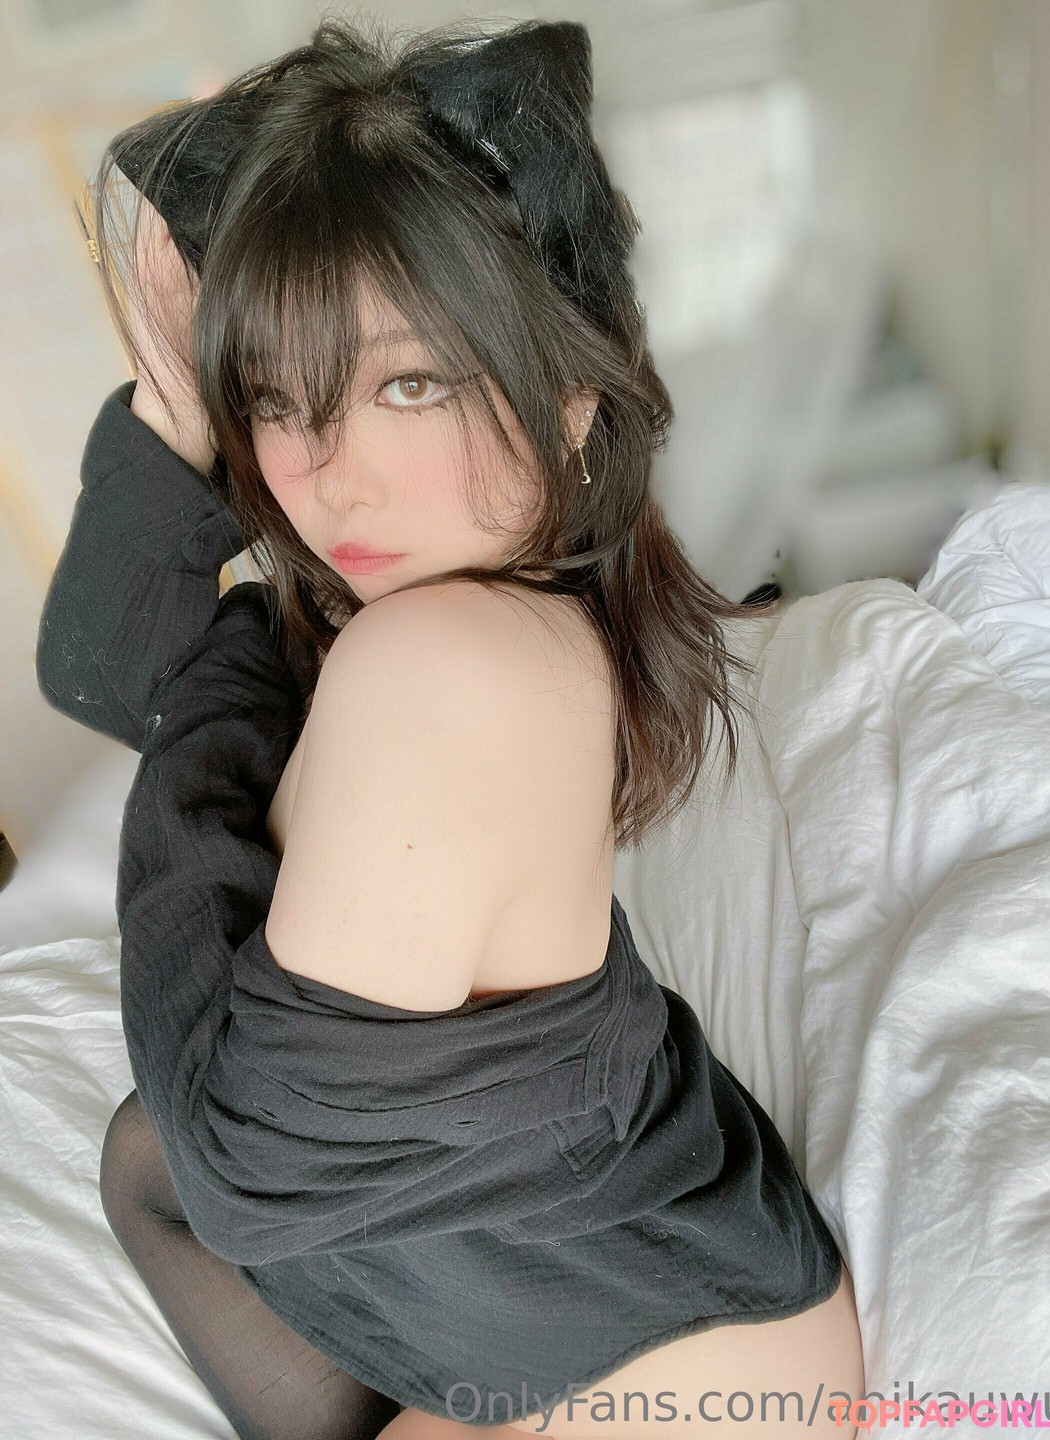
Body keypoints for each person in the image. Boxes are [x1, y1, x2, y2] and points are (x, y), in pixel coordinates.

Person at [40, 15, 864, 1439]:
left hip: (674, 1383)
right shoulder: (430, 611)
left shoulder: (445, 659)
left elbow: (244, 1170)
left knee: (169, 1159)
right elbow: (113, 676)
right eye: (277, 397)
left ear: (572, 398)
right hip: (585, 1294)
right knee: (141, 1158)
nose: (330, 475)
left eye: (408, 384)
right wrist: (179, 410)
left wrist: (208, 735)